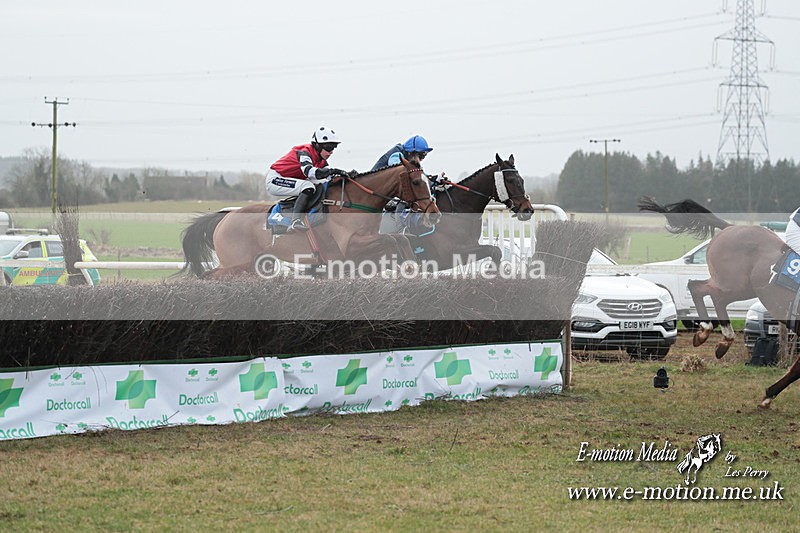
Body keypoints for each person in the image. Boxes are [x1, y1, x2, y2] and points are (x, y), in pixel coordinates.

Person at [265, 126, 350, 232]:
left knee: (322, 184)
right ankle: (296, 221)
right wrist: (332, 171)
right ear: (317, 145)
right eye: (328, 147)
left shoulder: (321, 160)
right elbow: (309, 172)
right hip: (276, 179)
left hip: (291, 178)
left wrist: (348, 176)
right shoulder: (305, 152)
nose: (331, 152)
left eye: (334, 147)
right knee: (308, 187)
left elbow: (328, 178)